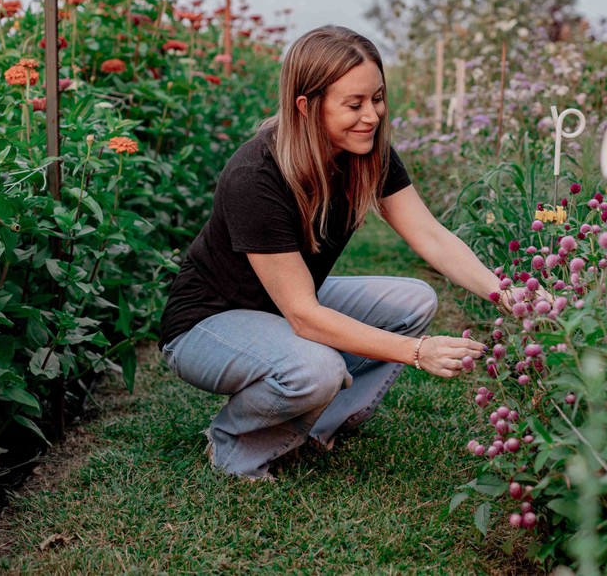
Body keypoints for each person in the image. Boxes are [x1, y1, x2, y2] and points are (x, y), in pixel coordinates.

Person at [159, 25, 516, 481]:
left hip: (283, 309)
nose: (372, 115)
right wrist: (417, 351)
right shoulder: (256, 176)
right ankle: (233, 445)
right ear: (306, 106)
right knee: (316, 369)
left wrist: (506, 294)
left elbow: (430, 236)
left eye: (377, 99)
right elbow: (305, 316)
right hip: (207, 325)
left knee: (415, 300)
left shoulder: (366, 154)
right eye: (354, 104)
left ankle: (315, 431)